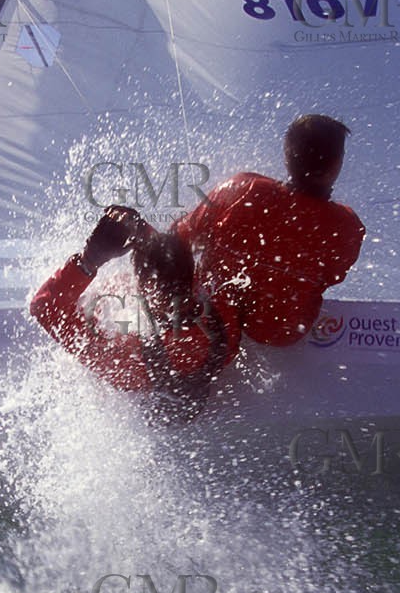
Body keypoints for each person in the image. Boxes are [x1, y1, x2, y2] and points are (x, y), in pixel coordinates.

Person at [30, 206, 241, 423]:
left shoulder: (129, 360)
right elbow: (171, 270)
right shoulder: (225, 321)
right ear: (191, 272)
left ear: (145, 287)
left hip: (147, 420)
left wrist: (88, 261)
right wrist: (143, 232)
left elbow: (44, 307)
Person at [172, 114, 365, 346]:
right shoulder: (347, 227)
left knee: (170, 253)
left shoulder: (243, 189)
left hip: (212, 323)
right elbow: (333, 276)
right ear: (336, 165)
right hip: (282, 333)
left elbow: (181, 238)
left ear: (286, 156)